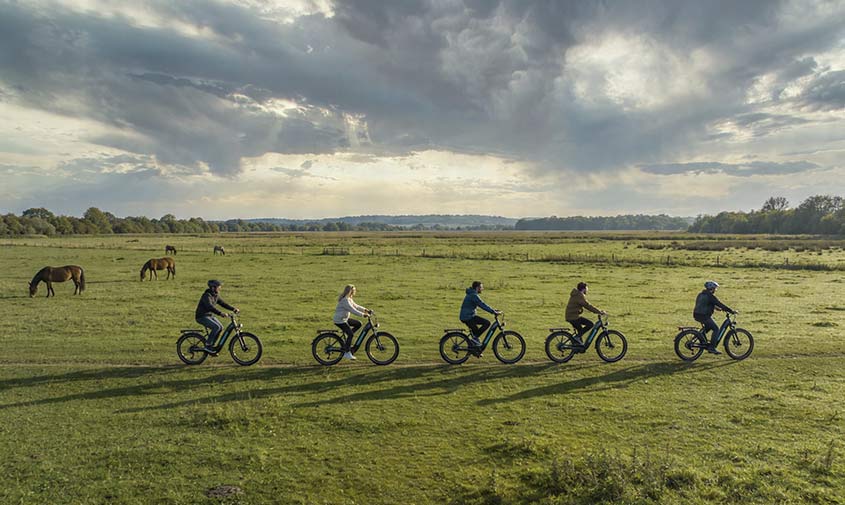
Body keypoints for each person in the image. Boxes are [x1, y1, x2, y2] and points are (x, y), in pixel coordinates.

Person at [195, 279, 239, 352]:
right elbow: (209, 307)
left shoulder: (215, 295)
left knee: (221, 327)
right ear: (213, 288)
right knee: (216, 327)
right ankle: (208, 345)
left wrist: (233, 309)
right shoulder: (206, 295)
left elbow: (223, 303)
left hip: (209, 316)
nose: (220, 288)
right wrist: (220, 313)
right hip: (201, 316)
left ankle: (212, 345)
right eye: (218, 286)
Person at [693, 280, 735, 354]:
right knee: (716, 329)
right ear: (711, 289)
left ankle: (700, 336)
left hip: (697, 314)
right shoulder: (710, 296)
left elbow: (705, 303)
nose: (715, 290)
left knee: (709, 326)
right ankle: (712, 348)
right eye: (715, 288)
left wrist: (716, 308)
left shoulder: (701, 294)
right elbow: (719, 303)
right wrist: (730, 310)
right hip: (704, 316)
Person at [333, 284, 371, 360]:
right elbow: (353, 310)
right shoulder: (345, 300)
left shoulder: (349, 298)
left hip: (344, 319)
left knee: (358, 324)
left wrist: (366, 310)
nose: (355, 292)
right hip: (339, 320)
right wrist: (363, 315)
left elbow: (356, 306)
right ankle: (347, 353)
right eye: (354, 291)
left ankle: (348, 338)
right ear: (351, 291)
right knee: (350, 334)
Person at [459, 281, 501, 347]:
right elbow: (482, 304)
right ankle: (474, 340)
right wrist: (493, 312)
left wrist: (493, 310)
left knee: (476, 333)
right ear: (477, 288)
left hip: (468, 316)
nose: (482, 289)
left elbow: (482, 304)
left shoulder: (472, 294)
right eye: (481, 287)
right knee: (486, 323)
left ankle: (476, 348)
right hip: (468, 317)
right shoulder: (474, 295)